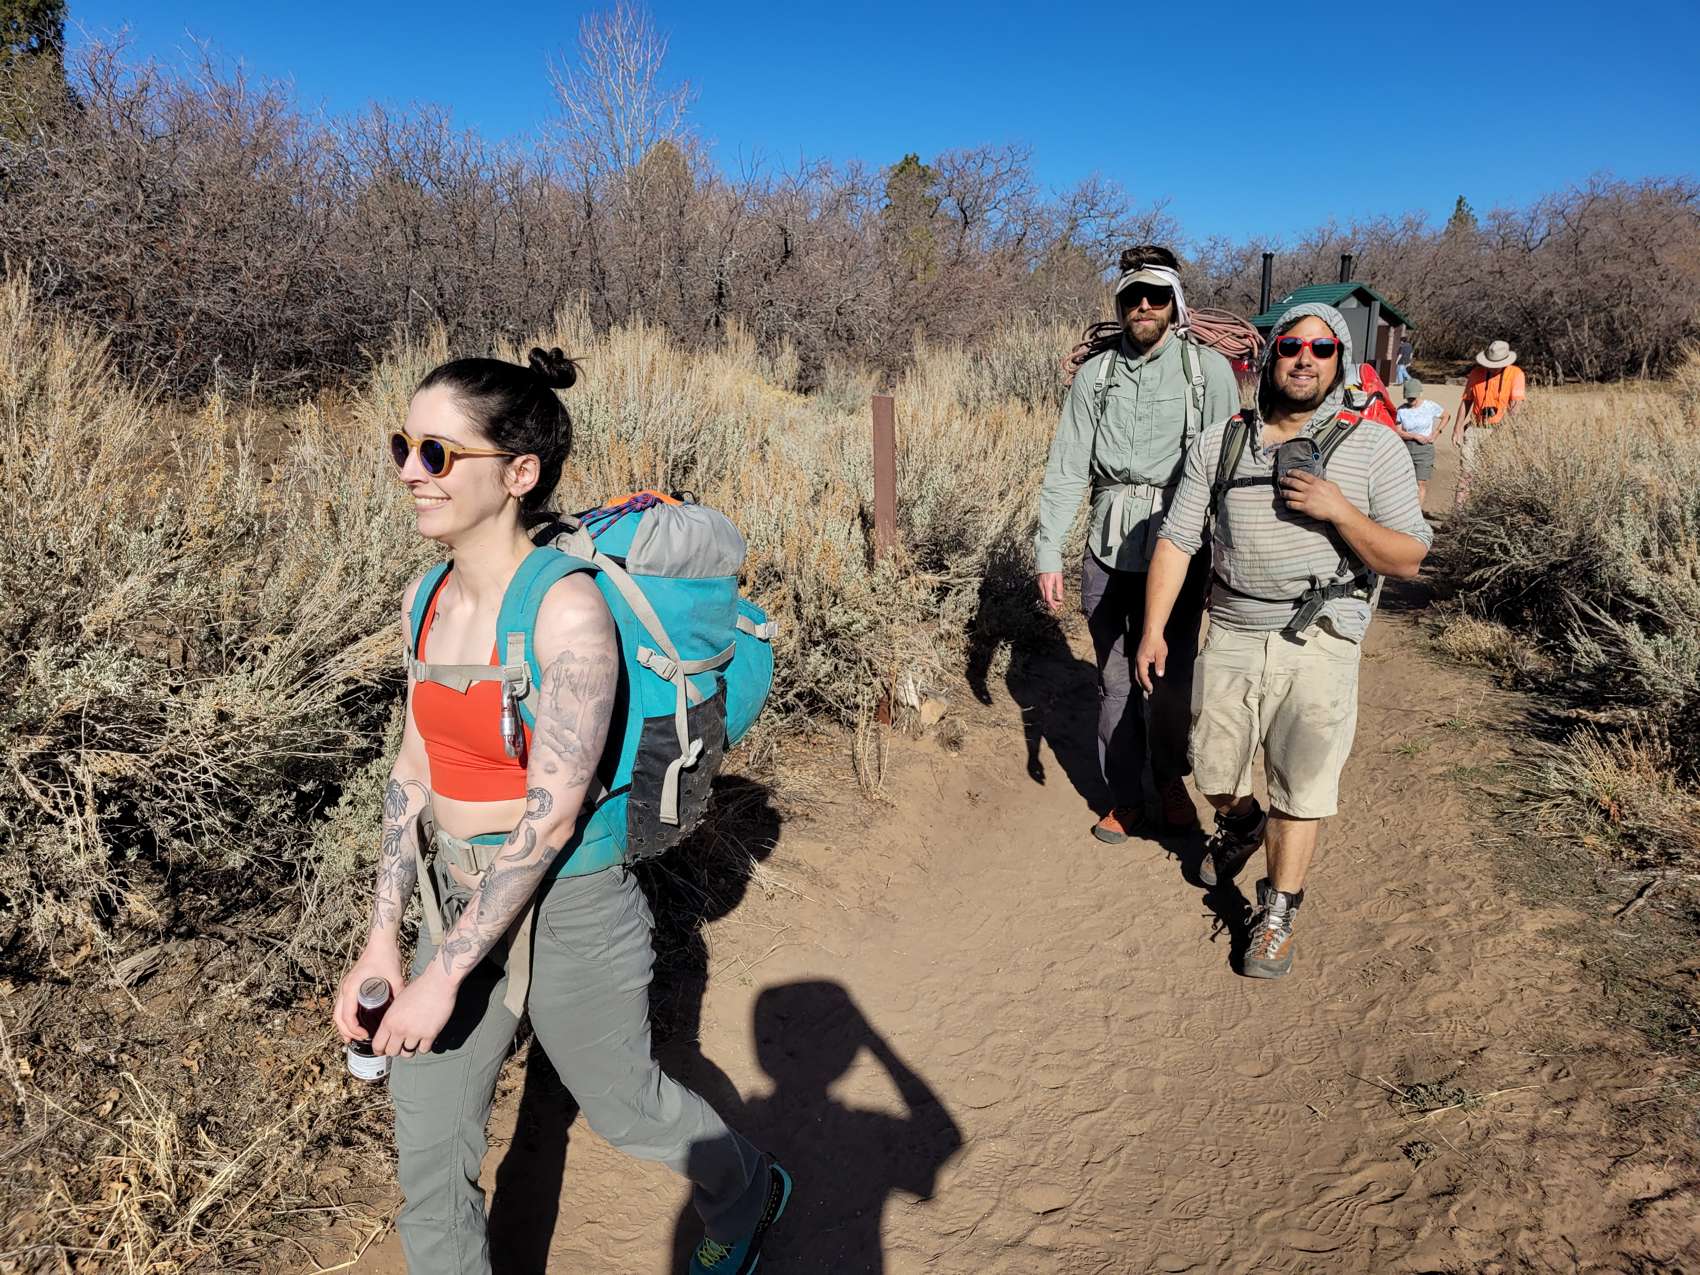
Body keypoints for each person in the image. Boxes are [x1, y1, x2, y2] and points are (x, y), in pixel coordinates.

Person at [332, 349, 789, 1275]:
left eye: (437, 453)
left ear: (519, 473)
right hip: (455, 893)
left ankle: (748, 1189)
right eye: (402, 447)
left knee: (623, 1102)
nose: (411, 472)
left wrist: (444, 974)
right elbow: (413, 768)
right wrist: (384, 940)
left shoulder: (566, 612)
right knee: (429, 1148)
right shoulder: (423, 597)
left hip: (571, 901)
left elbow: (547, 817)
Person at [1133, 303, 1432, 979]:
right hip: (1233, 627)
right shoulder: (1220, 442)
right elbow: (1177, 540)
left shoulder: (1375, 446)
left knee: (1301, 785)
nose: (1305, 359)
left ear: (1341, 362)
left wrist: (1338, 509)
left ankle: (1277, 914)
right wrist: (1153, 629)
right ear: (1271, 356)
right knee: (1213, 769)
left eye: (1322, 349)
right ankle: (1241, 823)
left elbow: (1409, 557)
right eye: (1292, 345)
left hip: (1322, 635)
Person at [1034, 245, 1241, 843]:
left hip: (1182, 543)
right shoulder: (1096, 375)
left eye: (1155, 296)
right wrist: (1049, 552)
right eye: (1132, 297)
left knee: (1171, 678)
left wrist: (1227, 561)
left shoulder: (1208, 372)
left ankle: (1170, 778)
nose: (1143, 305)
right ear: (1120, 304)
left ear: (1174, 302)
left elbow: (1231, 471)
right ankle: (1126, 797)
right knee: (1115, 678)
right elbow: (1067, 466)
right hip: (1107, 546)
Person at [1452, 339, 1526, 508]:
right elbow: (1466, 401)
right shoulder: (1476, 373)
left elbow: (1515, 408)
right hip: (1475, 427)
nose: (1492, 367)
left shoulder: (1516, 374)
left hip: (1499, 430)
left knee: (1493, 475)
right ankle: (1458, 513)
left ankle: (1486, 512)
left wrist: (1503, 433)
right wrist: (1458, 428)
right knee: (1466, 472)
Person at [1393, 378, 1447, 506]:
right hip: (1406, 448)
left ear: (1420, 394)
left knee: (1421, 482)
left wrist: (1436, 433)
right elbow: (1398, 431)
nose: (1411, 400)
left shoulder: (1430, 406)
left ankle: (1417, 512)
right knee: (1405, 482)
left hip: (1425, 449)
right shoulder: (1401, 410)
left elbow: (1446, 416)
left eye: (1413, 397)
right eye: (1408, 397)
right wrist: (1414, 436)